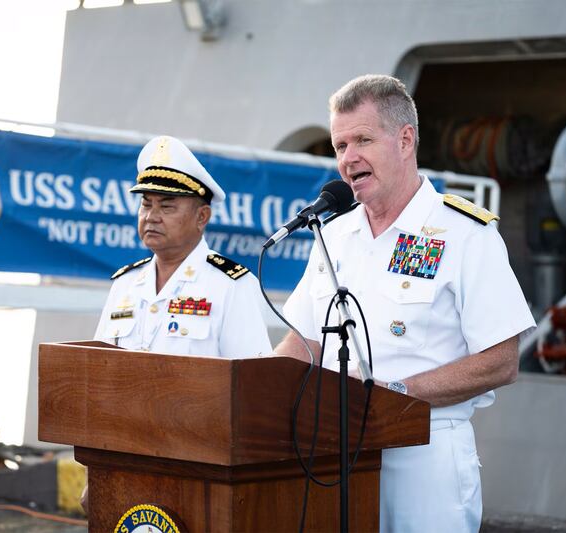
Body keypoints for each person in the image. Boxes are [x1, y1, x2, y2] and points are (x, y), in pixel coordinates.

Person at [274, 74, 536, 532]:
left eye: (362, 140)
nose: (348, 158)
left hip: (426, 457)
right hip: (337, 458)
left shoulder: (464, 234)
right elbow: (304, 341)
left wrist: (393, 392)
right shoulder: (333, 235)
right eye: (339, 146)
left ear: (405, 139)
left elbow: (501, 361)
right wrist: (254, 391)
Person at [82, 135, 273, 510]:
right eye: (146, 203)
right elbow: (98, 383)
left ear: (202, 216)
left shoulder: (231, 285)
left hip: (202, 470)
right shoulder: (124, 285)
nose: (151, 215)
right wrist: (94, 471)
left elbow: (255, 392)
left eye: (167, 205)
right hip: (123, 464)